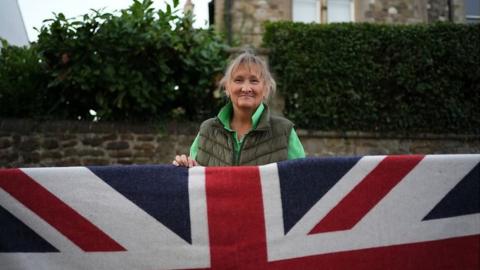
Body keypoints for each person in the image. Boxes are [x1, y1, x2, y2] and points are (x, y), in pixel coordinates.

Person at [173, 50, 305, 167]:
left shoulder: (284, 131)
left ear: (265, 89)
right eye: (238, 80)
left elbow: (302, 179)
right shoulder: (207, 130)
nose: (246, 88)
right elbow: (195, 180)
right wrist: (184, 166)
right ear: (227, 88)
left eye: (254, 81)